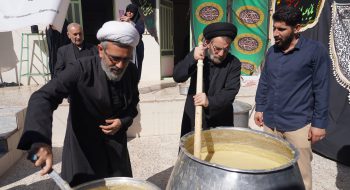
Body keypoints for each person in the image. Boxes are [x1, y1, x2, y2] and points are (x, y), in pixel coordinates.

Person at [17, 21, 140, 187]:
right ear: (101, 50)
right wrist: (40, 141)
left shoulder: (131, 71)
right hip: (83, 153)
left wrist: (122, 121)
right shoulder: (80, 69)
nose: (120, 65)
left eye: (126, 59)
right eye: (115, 59)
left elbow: (132, 106)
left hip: (116, 152)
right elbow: (43, 97)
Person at [254, 6, 330, 190]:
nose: (275, 33)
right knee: (271, 168)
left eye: (281, 29)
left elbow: (321, 88)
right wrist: (260, 107)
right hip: (271, 122)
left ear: (297, 28)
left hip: (298, 124)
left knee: (300, 176)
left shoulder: (314, 51)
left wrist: (319, 124)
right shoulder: (272, 52)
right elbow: (265, 81)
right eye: (274, 28)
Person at [173, 22, 241, 137]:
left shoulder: (234, 63)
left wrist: (209, 101)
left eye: (226, 49)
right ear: (208, 43)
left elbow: (230, 92)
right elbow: (178, 76)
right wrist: (192, 58)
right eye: (217, 49)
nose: (221, 53)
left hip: (221, 118)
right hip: (195, 115)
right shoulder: (199, 57)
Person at [120, 3, 145, 82]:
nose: (129, 13)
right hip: (126, 46)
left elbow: (141, 30)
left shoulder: (139, 20)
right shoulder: (122, 20)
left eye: (132, 12)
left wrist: (130, 22)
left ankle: (135, 82)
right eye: (128, 11)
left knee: (136, 66)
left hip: (137, 46)